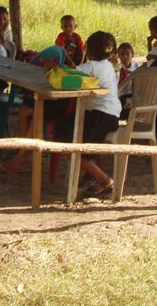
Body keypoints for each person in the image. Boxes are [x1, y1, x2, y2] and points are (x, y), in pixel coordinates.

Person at [57, 31, 121, 198]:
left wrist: (55, 66)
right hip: (110, 115)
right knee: (75, 137)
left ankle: (104, 179)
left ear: (87, 50)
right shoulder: (107, 65)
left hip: (99, 115)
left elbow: (69, 74)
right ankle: (89, 176)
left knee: (68, 143)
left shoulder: (91, 66)